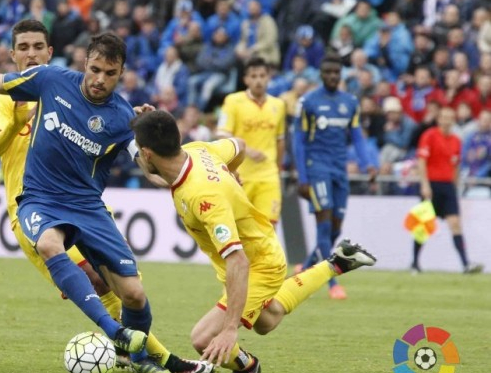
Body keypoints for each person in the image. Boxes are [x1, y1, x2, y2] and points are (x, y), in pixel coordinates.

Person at [0, 31, 211, 373]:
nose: (99, 79)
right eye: (95, 70)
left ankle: (133, 355)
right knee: (71, 261)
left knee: (131, 293)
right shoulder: (33, 88)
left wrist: (195, 172)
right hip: (35, 203)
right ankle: (137, 346)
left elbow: (151, 168)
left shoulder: (118, 115)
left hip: (87, 206)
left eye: (109, 73)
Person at [130, 110, 376, 373]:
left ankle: (251, 368)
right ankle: (337, 263)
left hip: (258, 263)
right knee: (267, 320)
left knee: (204, 338)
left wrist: (228, 330)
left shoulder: (204, 196)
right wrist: (230, 172)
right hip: (256, 250)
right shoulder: (197, 150)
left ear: (147, 153)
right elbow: (239, 146)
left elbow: (238, 260)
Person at [292, 53, 377, 300]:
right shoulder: (308, 102)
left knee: (335, 229)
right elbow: (298, 141)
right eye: (327, 72)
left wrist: (368, 164)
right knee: (325, 222)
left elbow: (358, 137)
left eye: (336, 73)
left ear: (340, 75)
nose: (332, 76)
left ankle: (307, 267)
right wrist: (303, 176)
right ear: (321, 74)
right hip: (317, 168)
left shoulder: (350, 102)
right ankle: (331, 284)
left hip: (340, 170)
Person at [412, 106, 483, 274]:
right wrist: (424, 184)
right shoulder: (429, 136)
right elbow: (422, 161)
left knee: (455, 224)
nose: (447, 120)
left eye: (450, 117)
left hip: (448, 186)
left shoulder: (456, 141)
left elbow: (456, 165)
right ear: (439, 119)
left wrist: (455, 186)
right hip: (432, 185)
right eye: (444, 117)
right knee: (424, 226)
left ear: (453, 120)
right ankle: (414, 263)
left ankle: (466, 264)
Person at [216, 57, 286, 224]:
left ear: (269, 77)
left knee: (268, 227)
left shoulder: (279, 105)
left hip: (268, 176)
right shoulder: (233, 101)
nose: (258, 81)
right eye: (253, 76)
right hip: (241, 175)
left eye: (262, 76)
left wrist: (277, 169)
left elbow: (280, 139)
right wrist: (247, 150)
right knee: (240, 226)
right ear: (246, 79)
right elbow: (221, 135)